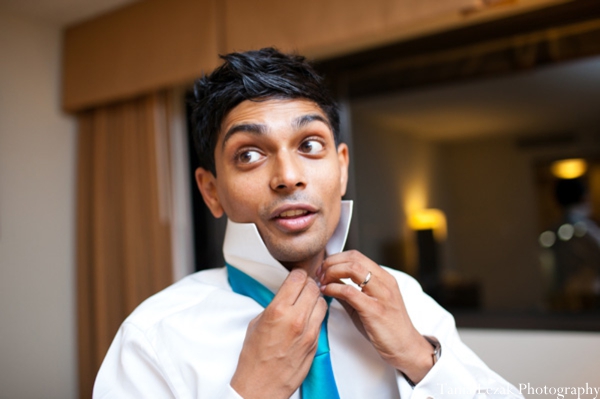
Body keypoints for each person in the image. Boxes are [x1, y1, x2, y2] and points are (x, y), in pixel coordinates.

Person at [94, 48, 522, 398]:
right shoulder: (152, 340)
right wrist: (251, 393)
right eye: (249, 154)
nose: (288, 176)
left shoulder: (405, 299)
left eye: (310, 144)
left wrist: (418, 356)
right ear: (211, 191)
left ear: (341, 169)